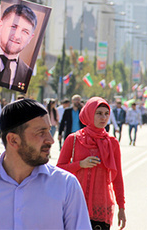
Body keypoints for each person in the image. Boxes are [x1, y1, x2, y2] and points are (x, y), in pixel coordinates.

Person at [0, 99, 91, 229]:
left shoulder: (66, 186)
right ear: (13, 140)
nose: (50, 140)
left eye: (49, 131)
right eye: (41, 133)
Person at [57, 97, 126, 230]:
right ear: (89, 113)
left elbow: (117, 178)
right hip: (75, 203)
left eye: (106, 114)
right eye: (99, 113)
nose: (103, 118)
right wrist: (79, 164)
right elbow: (59, 169)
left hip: (102, 205)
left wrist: (121, 207)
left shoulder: (112, 143)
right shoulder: (74, 139)